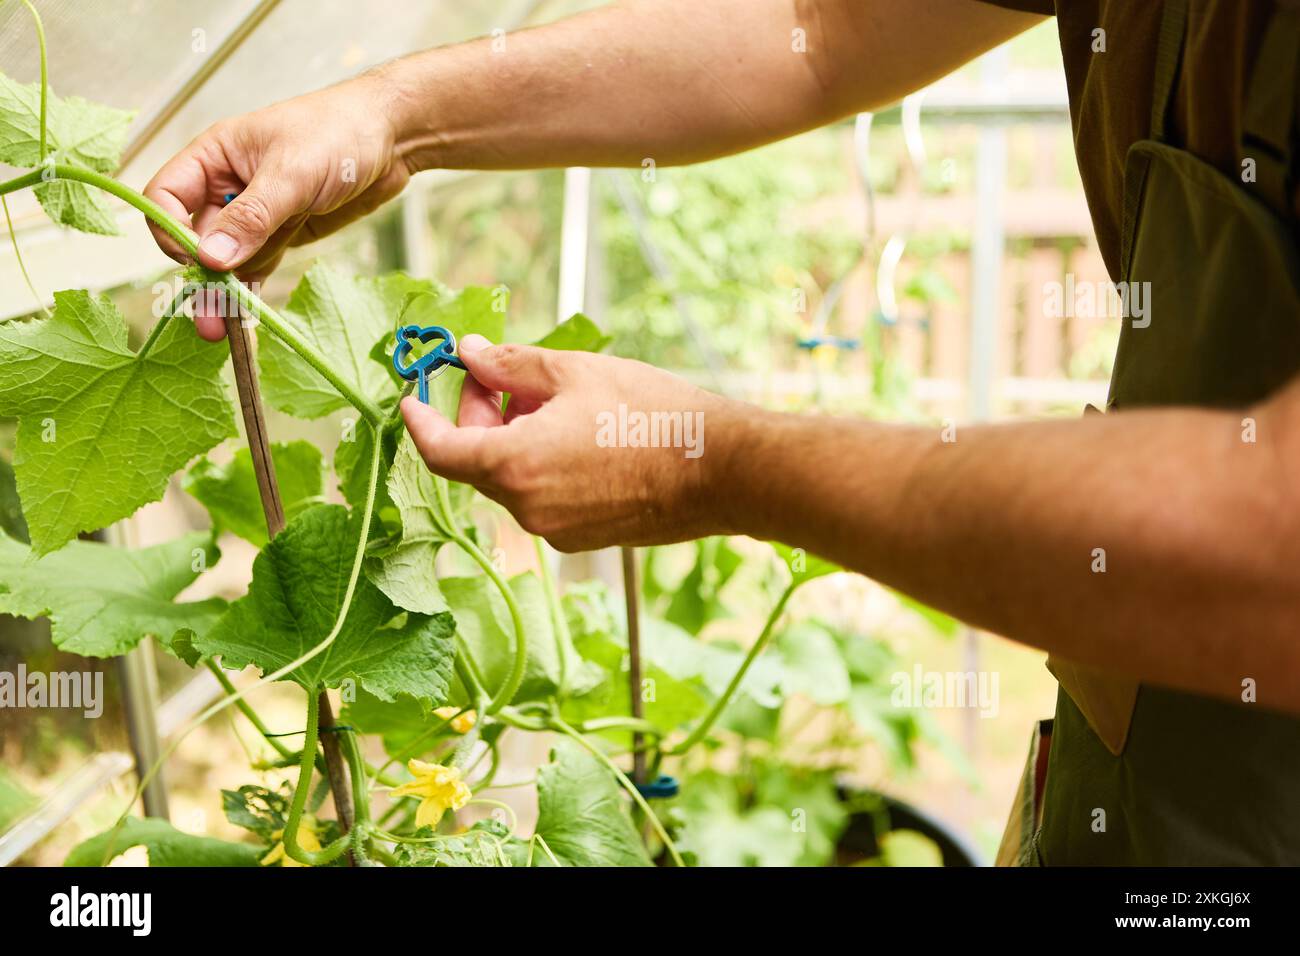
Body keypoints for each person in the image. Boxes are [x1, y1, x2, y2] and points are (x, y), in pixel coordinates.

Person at [144, 0, 1300, 865]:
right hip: (1139, 736)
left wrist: (711, 460)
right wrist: (388, 116)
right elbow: (820, 29)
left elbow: (1270, 549)